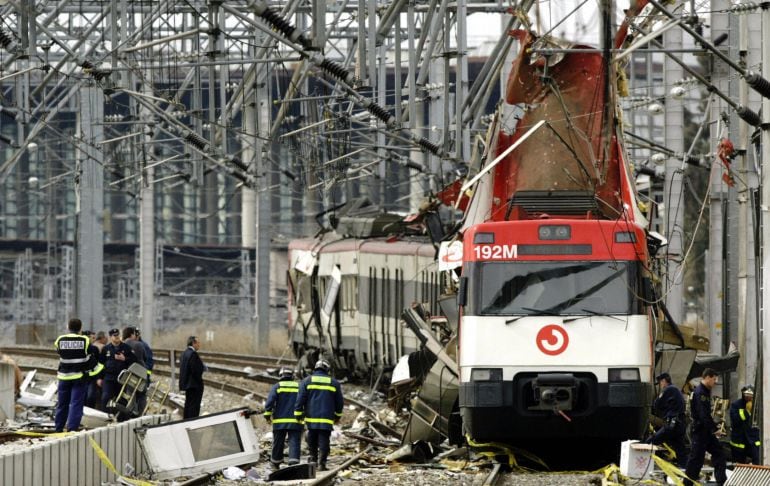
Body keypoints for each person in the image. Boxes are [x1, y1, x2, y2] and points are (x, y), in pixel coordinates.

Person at [53, 318, 103, 432]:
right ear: (80, 328)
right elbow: (91, 352)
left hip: (63, 377)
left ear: (68, 327)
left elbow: (58, 351)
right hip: (79, 377)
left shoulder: (60, 340)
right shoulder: (84, 340)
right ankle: (72, 428)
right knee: (76, 403)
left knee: (62, 403)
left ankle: (58, 427)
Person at [295, 359, 344, 471]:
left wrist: (298, 414)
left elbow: (300, 400)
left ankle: (313, 461)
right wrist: (337, 416)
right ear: (327, 369)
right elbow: (339, 402)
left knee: (311, 439)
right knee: (324, 440)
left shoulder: (307, 381)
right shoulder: (334, 383)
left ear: (315, 368)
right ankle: (322, 464)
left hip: (311, 418)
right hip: (326, 418)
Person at [683, 368, 727, 486]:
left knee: (719, 453)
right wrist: (715, 429)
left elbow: (706, 414)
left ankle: (721, 482)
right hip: (700, 431)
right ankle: (687, 483)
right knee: (696, 459)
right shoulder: (700, 393)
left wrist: (713, 427)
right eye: (714, 379)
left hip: (706, 431)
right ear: (707, 377)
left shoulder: (705, 391)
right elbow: (703, 415)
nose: (715, 382)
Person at [264, 368, 303, 469]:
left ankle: (276, 461)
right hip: (296, 420)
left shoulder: (277, 386)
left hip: (279, 421)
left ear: (281, 376)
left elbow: (270, 402)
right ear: (292, 376)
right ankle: (293, 461)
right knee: (294, 440)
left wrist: (267, 415)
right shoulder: (299, 386)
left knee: (278, 441)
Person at [647, 372, 687, 467]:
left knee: (650, 442)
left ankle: (641, 467)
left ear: (664, 381)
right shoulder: (676, 390)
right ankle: (687, 472)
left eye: (660, 382)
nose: (660, 385)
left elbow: (657, 404)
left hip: (672, 425)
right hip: (679, 424)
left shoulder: (669, 389)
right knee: (680, 450)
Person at [98, 327, 136, 419]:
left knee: (122, 400)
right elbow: (100, 364)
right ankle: (104, 418)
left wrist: (125, 359)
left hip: (122, 379)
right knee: (105, 397)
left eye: (118, 335)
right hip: (109, 378)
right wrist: (99, 378)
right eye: (114, 336)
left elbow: (134, 361)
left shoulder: (127, 348)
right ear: (110, 337)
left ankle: (121, 419)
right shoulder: (106, 349)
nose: (117, 337)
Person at [729, 385, 761, 464]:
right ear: (743, 394)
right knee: (738, 466)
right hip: (739, 441)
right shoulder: (736, 405)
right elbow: (736, 420)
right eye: (747, 395)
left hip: (753, 441)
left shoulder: (758, 405)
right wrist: (747, 411)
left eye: (751, 395)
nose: (748, 397)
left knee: (757, 465)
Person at [122, 326, 148, 416]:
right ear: (131, 334)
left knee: (130, 393)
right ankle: (140, 414)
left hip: (129, 371)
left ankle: (131, 413)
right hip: (140, 371)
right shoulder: (139, 344)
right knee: (142, 393)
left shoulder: (122, 345)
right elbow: (144, 357)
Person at [179, 336, 206, 419]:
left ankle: (186, 422)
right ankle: (192, 423)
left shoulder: (184, 353)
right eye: (198, 343)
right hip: (194, 385)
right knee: (194, 407)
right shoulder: (193, 354)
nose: (199, 345)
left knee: (188, 405)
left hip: (187, 384)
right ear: (193, 343)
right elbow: (195, 370)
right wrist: (203, 368)